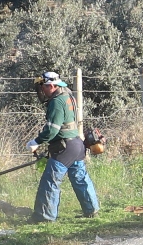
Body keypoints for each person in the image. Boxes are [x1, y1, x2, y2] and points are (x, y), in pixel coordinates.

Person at [29, 71, 99, 222]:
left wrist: (36, 141)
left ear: (52, 86)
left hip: (65, 148)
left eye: (44, 87)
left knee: (50, 181)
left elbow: (52, 130)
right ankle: (91, 210)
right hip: (77, 145)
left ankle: (45, 217)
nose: (42, 91)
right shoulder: (67, 95)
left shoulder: (56, 102)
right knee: (80, 178)